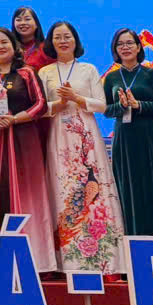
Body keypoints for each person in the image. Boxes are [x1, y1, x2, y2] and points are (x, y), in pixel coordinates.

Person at [39, 21, 126, 275]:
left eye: (67, 36)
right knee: (64, 190)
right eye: (57, 37)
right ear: (51, 42)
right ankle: (67, 262)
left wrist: (76, 99)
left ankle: (106, 261)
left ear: (75, 40)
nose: (63, 41)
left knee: (95, 190)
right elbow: (40, 108)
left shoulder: (88, 69)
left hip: (86, 134)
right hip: (58, 135)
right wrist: (58, 104)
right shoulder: (44, 72)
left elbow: (102, 105)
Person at [0, 27, 54, 272]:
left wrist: (15, 119)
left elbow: (41, 104)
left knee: (31, 193)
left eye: (4, 42)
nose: (0, 47)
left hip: (25, 139)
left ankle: (39, 259)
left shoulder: (27, 73)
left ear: (14, 46)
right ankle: (6, 258)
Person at [103, 28, 153, 241]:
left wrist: (139, 105)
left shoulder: (151, 74)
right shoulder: (111, 78)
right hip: (124, 139)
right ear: (115, 50)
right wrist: (121, 106)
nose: (125, 47)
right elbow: (106, 110)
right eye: (120, 44)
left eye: (129, 43)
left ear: (138, 47)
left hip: (149, 136)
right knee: (129, 190)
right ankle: (133, 243)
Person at [11, 7, 52, 72]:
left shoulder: (46, 48)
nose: (23, 23)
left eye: (27, 19)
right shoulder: (10, 48)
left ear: (36, 24)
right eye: (18, 20)